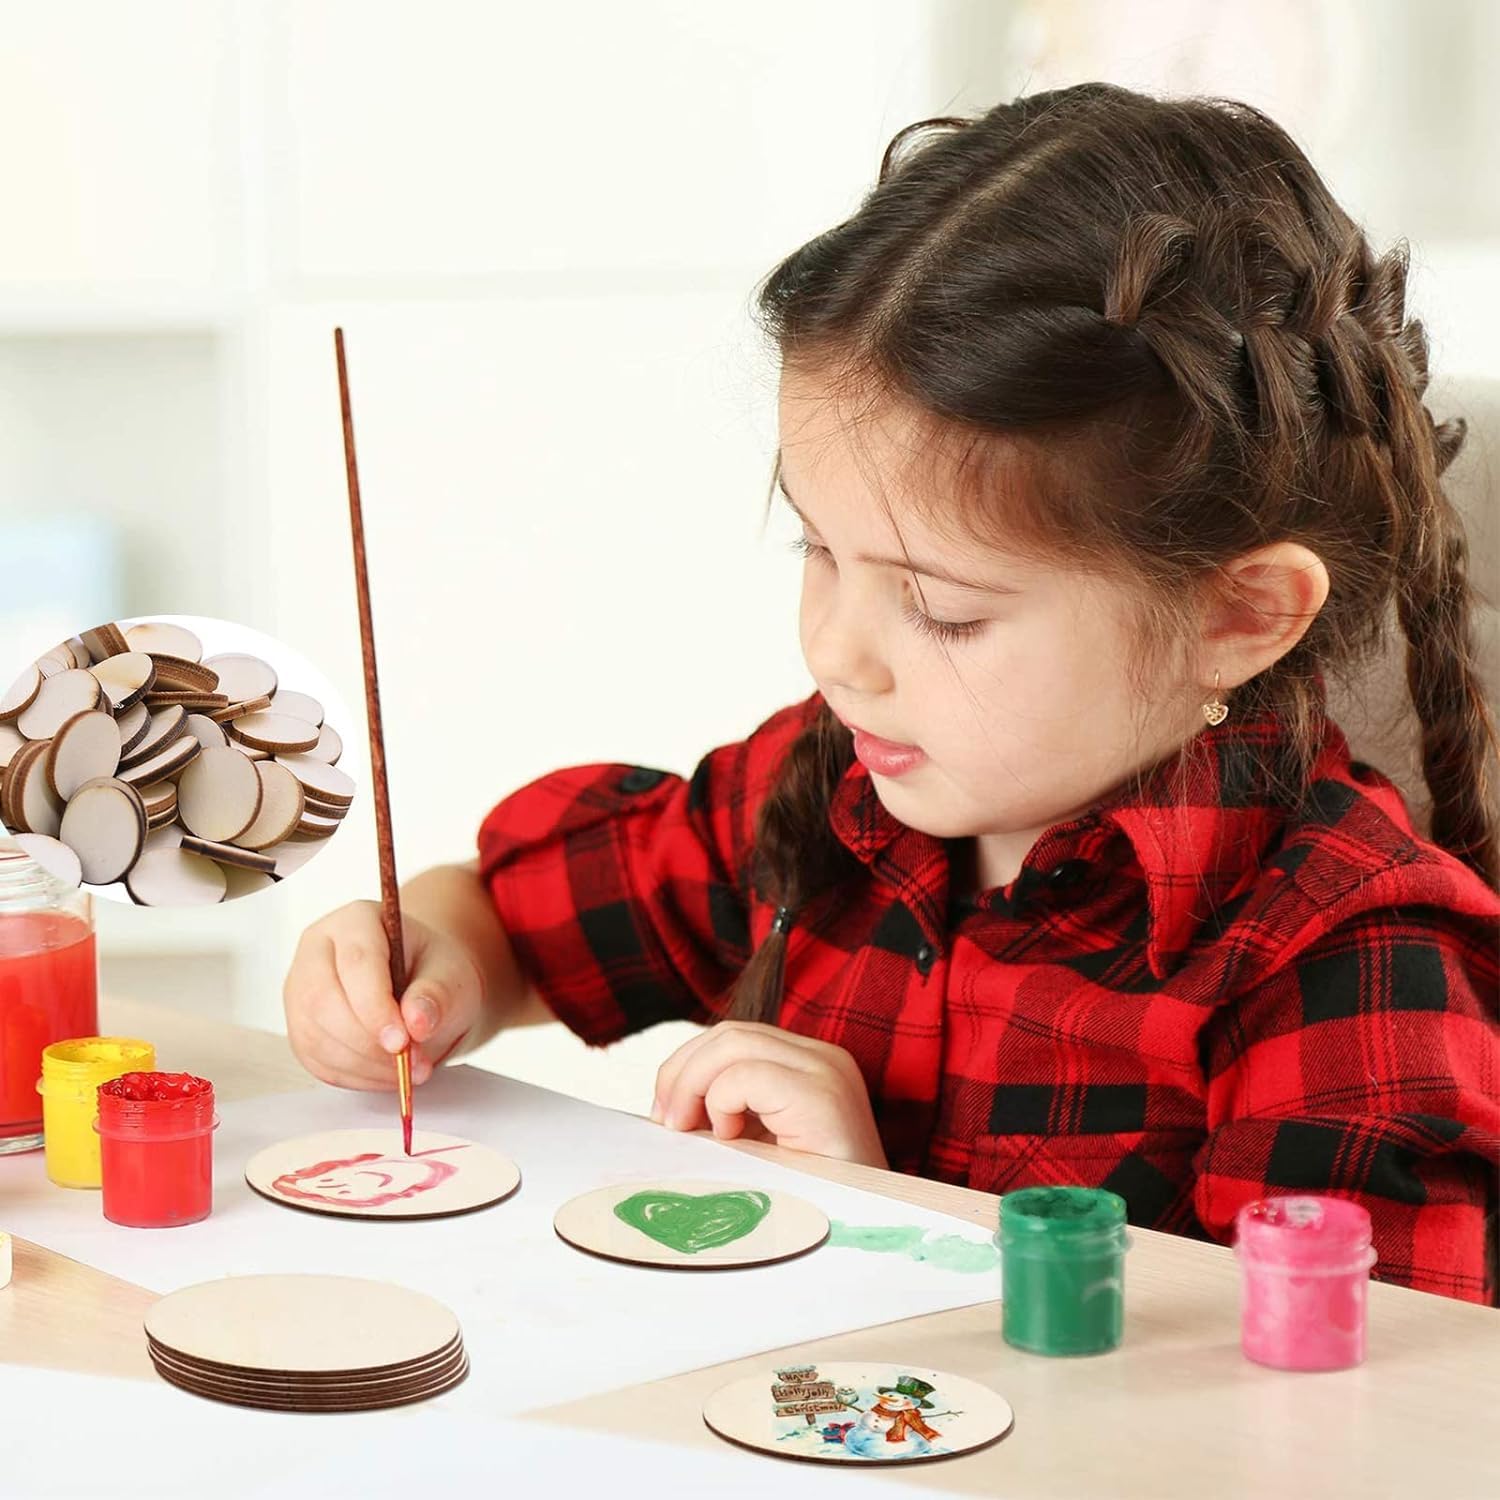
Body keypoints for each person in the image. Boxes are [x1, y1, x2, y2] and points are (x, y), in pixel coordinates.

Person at [283, 84, 1500, 1303]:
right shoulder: (834, 785)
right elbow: (510, 926)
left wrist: (890, 1228)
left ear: (1237, 617)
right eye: (819, 550)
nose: (838, 653)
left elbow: (1353, 1396)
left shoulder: (1349, 965)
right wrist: (428, 968)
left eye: (942, 608)